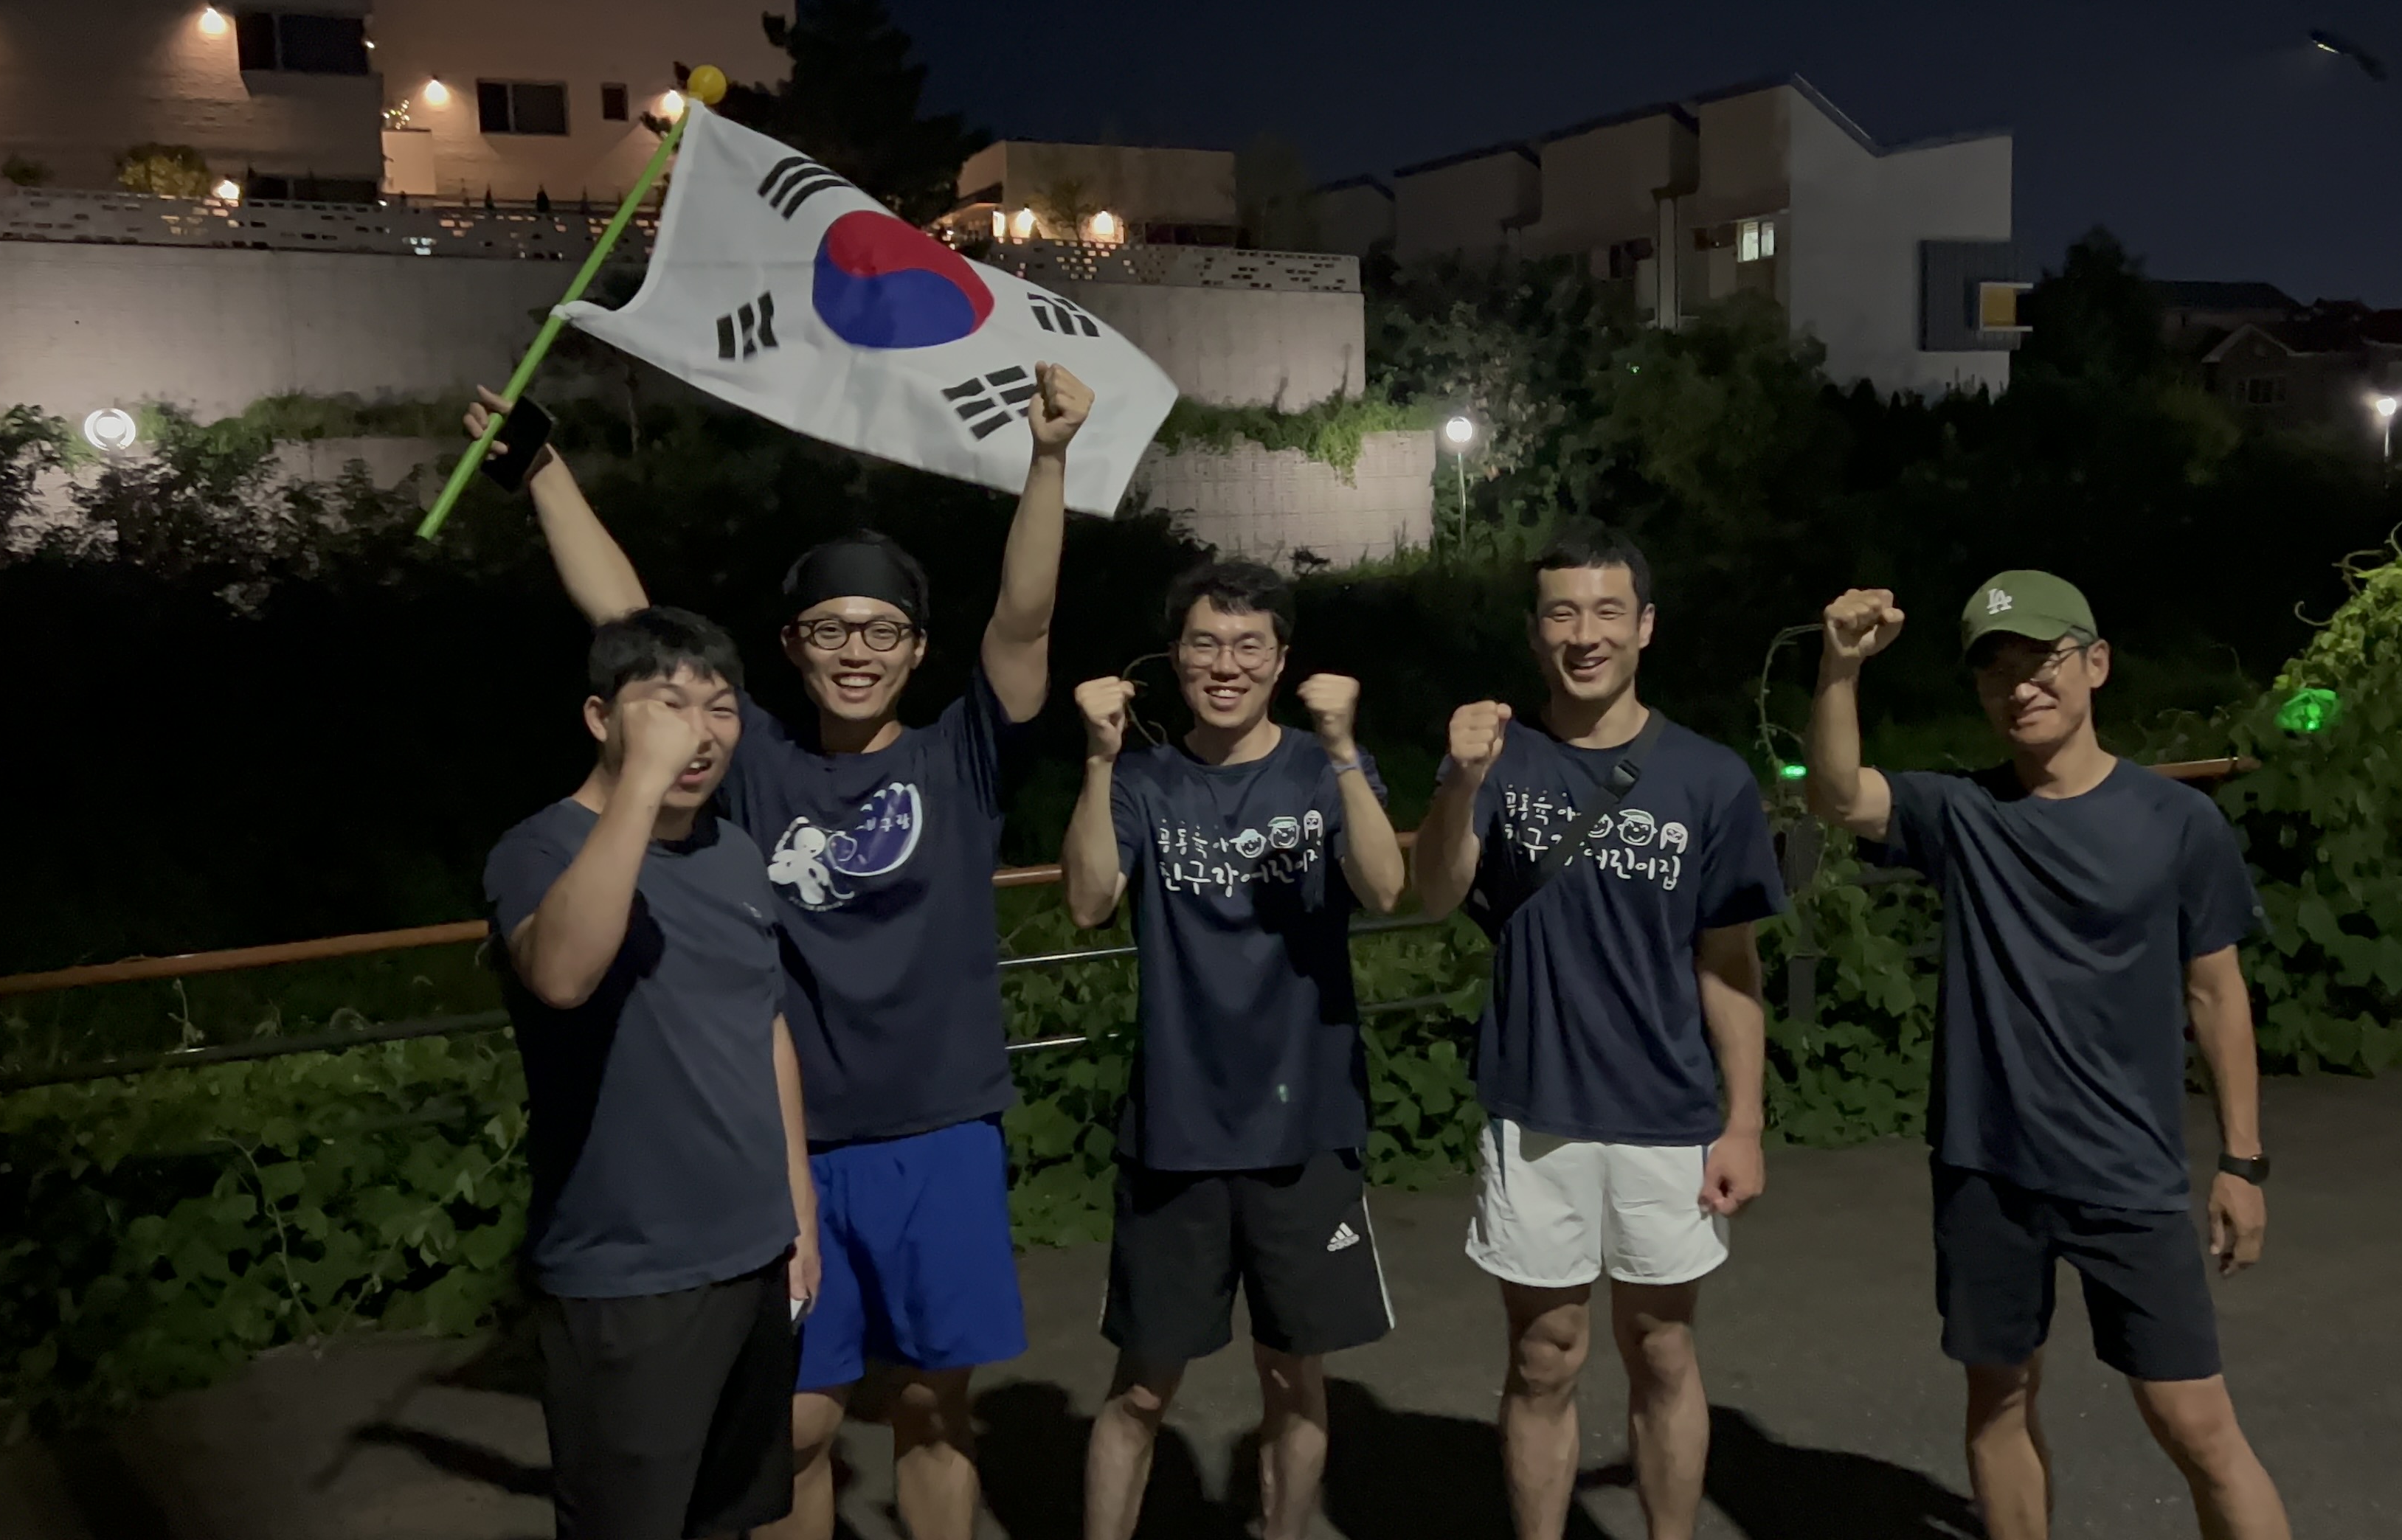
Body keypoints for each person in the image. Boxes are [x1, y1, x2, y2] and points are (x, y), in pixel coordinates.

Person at [467, 364, 1094, 1540]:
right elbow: (630, 630)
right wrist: (543, 470)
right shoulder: (749, 757)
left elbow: (1024, 620)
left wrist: (1048, 459)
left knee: (932, 1406)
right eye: (829, 629)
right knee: (797, 1425)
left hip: (939, 1132)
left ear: (916, 648)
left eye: (882, 630)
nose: (856, 651)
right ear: (793, 647)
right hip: (793, 1152)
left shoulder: (962, 757)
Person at [1799, 570, 2292, 1540]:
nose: (2021, 687)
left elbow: (2217, 994)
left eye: (2041, 662)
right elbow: (1835, 795)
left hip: (2128, 1171)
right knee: (2000, 1401)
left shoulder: (2178, 823)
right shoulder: (1962, 813)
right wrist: (1839, 667)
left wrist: (2242, 1163)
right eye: (1996, 672)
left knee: (2197, 1425)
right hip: (1987, 1168)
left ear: (2095, 665)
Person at [1410, 522, 1787, 1540]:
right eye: (1563, 614)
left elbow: (1730, 963)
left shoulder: (1708, 777)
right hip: (1537, 1104)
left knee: (1663, 1349)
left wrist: (1743, 1122)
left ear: (1645, 626)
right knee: (1546, 1355)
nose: (1586, 635)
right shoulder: (1499, 758)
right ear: (1536, 632)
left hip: (1669, 1107)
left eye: (1608, 612)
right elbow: (1434, 893)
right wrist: (1460, 780)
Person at [1058, 560, 1405, 1540]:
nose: (1226, 665)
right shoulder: (1144, 780)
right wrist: (1098, 758)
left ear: (1282, 660)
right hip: (1178, 1127)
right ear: (1174, 657)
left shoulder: (1321, 769)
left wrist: (1344, 748)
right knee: (1140, 1389)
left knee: (1294, 1376)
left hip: (1309, 1123)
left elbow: (1385, 888)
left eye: (1250, 646)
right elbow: (1087, 901)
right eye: (1205, 643)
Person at [484, 607, 821, 1540]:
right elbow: (561, 973)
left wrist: (798, 1208)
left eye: (720, 708)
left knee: (729, 1519)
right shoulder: (540, 850)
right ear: (602, 717)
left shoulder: (736, 853)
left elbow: (765, 1026)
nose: (698, 733)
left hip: (754, 1254)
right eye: (667, 705)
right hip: (627, 1277)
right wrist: (639, 785)